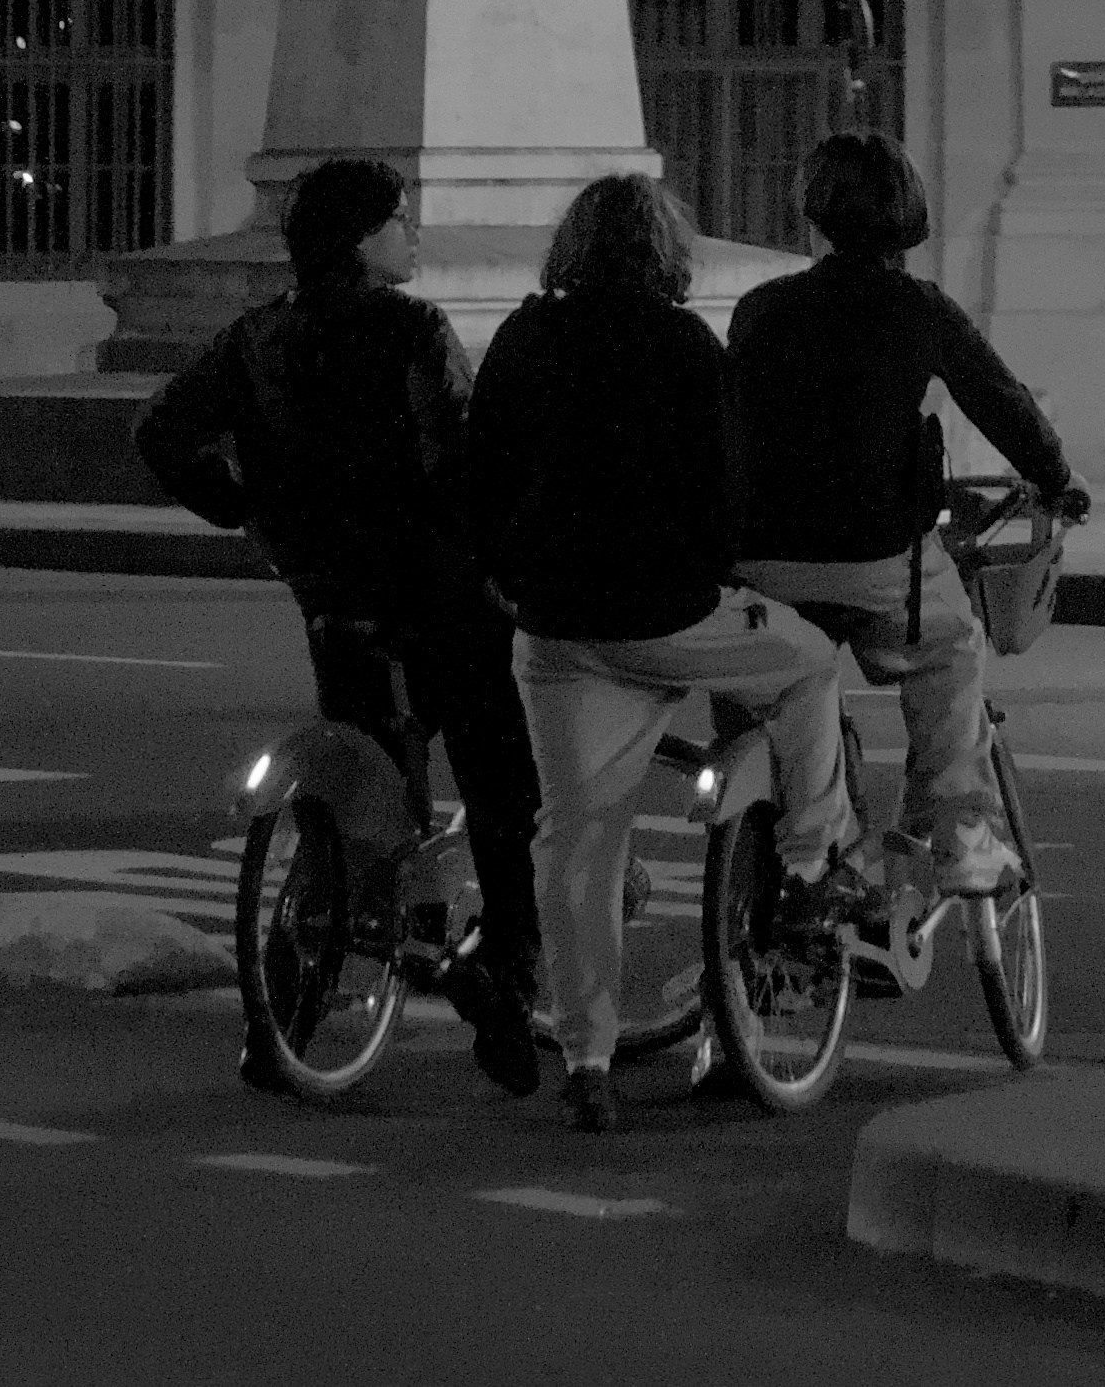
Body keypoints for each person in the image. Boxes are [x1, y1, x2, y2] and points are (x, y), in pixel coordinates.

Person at [133, 156, 542, 1096]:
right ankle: (504, 984)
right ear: (362, 239)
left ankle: (284, 1013)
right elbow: (459, 463)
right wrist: (496, 564)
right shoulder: (412, 329)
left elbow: (160, 432)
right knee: (503, 786)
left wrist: (244, 508)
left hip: (330, 594)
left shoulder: (257, 338)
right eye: (400, 218)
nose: (414, 233)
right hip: (434, 595)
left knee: (357, 806)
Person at [468, 171, 848, 1134]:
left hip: (558, 631)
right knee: (807, 666)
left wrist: (509, 571)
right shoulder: (684, 345)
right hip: (672, 618)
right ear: (666, 254)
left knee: (579, 840)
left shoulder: (521, 337)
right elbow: (724, 493)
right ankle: (809, 865)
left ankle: (587, 1059)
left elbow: (481, 476)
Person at [726, 130, 1084, 898]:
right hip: (875, 558)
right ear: (907, 221)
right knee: (950, 650)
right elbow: (1001, 402)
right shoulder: (918, 309)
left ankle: (792, 858)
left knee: (771, 680)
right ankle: (960, 836)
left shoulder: (760, 309)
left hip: (758, 557)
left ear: (814, 216)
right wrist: (1055, 479)